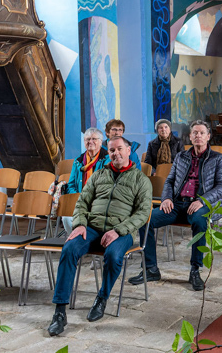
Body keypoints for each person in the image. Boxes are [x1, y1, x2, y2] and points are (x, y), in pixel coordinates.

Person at [48, 136, 152, 336]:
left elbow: (142, 213)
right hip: (92, 227)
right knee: (69, 248)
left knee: (113, 256)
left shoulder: (141, 180)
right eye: (112, 150)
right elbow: (82, 203)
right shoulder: (98, 175)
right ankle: (59, 312)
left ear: (128, 151)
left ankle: (102, 298)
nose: (116, 153)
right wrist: (80, 224)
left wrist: (118, 230)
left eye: (119, 149)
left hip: (121, 231)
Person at [129, 120, 222, 292]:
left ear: (208, 136)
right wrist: (166, 198)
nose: (198, 135)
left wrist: (202, 201)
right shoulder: (181, 157)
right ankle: (151, 269)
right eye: (195, 133)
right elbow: (170, 181)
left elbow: (221, 187)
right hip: (177, 203)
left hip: (201, 204)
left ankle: (195, 270)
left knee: (200, 222)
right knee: (145, 219)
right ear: (190, 136)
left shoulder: (217, 158)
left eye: (201, 133)